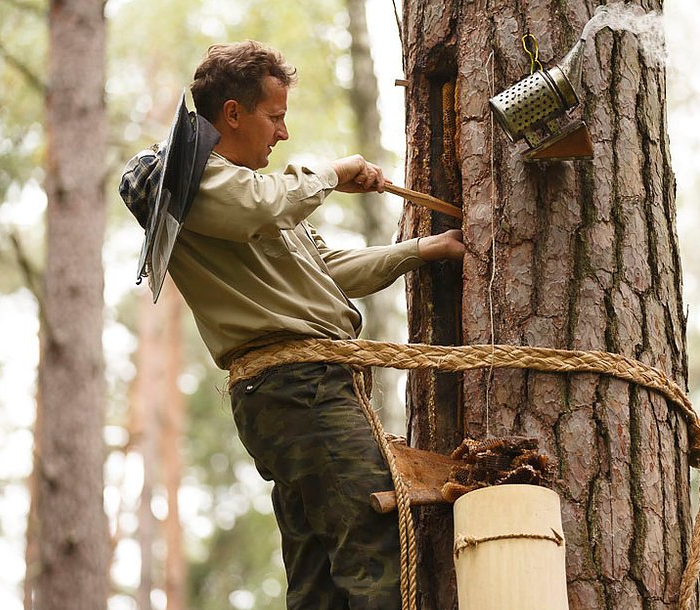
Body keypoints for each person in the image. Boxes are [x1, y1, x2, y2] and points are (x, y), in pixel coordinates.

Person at [120, 40, 464, 609]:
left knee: (319, 580)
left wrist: (424, 249)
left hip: (303, 392)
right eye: (275, 117)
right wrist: (330, 173)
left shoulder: (255, 194)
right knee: (373, 546)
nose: (283, 134)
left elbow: (328, 271)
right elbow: (263, 203)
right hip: (301, 392)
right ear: (233, 114)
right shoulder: (190, 182)